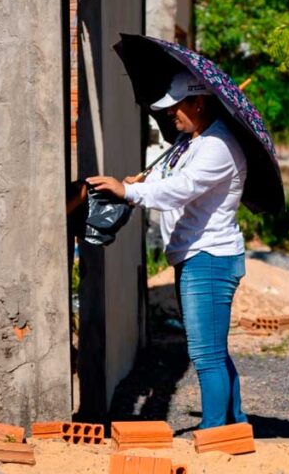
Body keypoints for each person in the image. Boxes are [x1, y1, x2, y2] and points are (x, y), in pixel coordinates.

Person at [87, 71, 249, 429]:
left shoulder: (217, 146)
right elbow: (169, 180)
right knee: (214, 351)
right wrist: (140, 182)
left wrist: (129, 193)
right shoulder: (191, 141)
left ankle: (213, 434)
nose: (171, 116)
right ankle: (235, 427)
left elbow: (183, 189)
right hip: (194, 256)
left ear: (199, 103)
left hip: (209, 258)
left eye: (177, 108)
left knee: (205, 356)